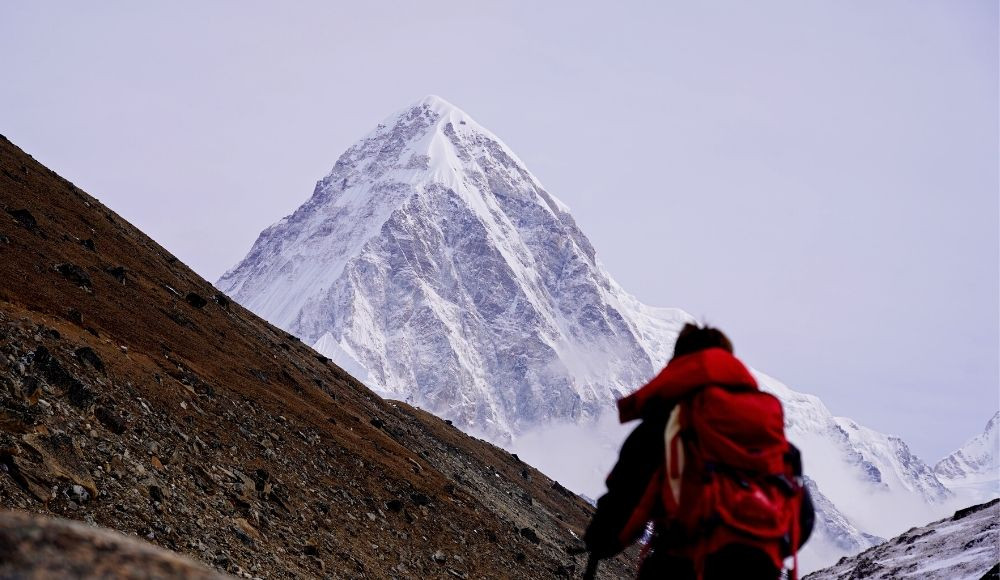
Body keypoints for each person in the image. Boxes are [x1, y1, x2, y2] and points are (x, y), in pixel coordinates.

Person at [583, 323, 814, 579]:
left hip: (685, 566)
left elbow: (626, 498)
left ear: (681, 364)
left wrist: (599, 541)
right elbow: (803, 517)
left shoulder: (673, 421)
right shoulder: (770, 437)